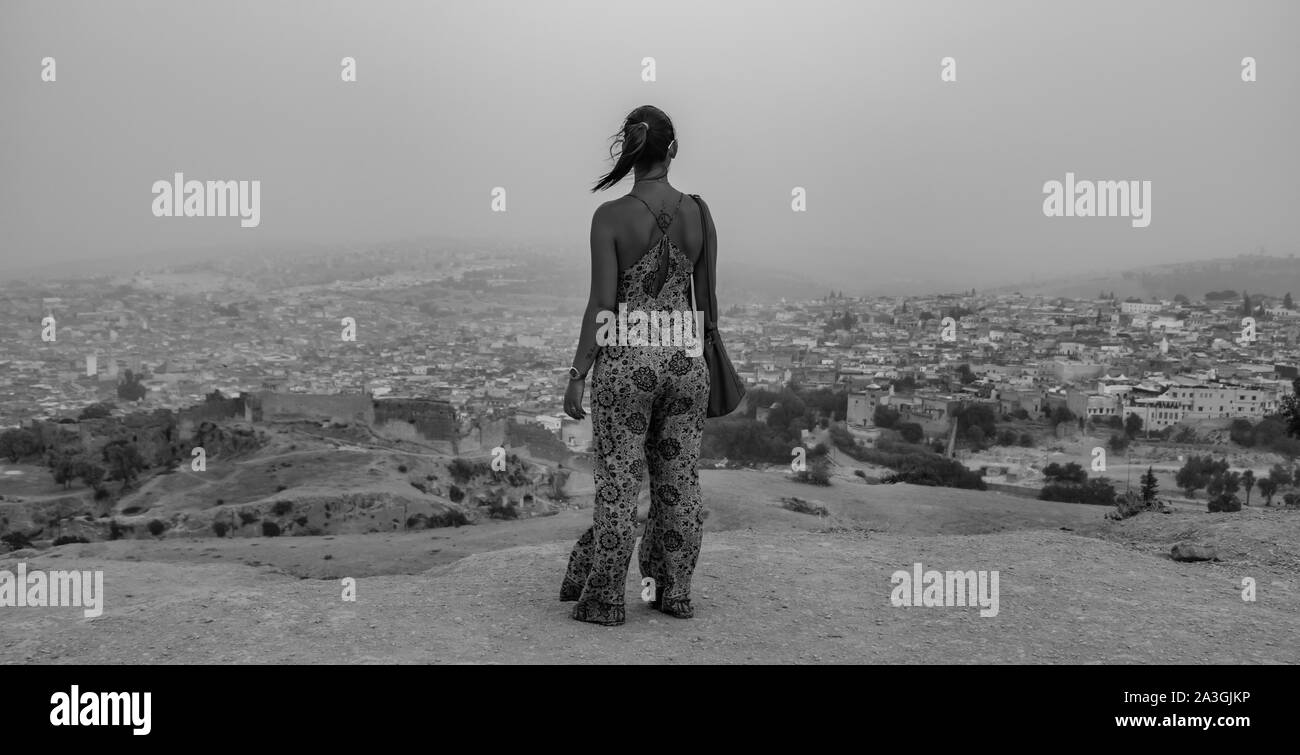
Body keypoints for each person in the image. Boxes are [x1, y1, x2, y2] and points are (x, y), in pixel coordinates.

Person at [560, 105, 716, 626]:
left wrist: (579, 372)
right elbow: (704, 304)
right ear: (672, 150)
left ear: (630, 152)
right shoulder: (697, 212)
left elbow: (602, 304)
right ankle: (674, 593)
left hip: (628, 365)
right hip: (686, 363)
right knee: (680, 484)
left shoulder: (610, 217)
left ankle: (605, 598)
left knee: (620, 485)